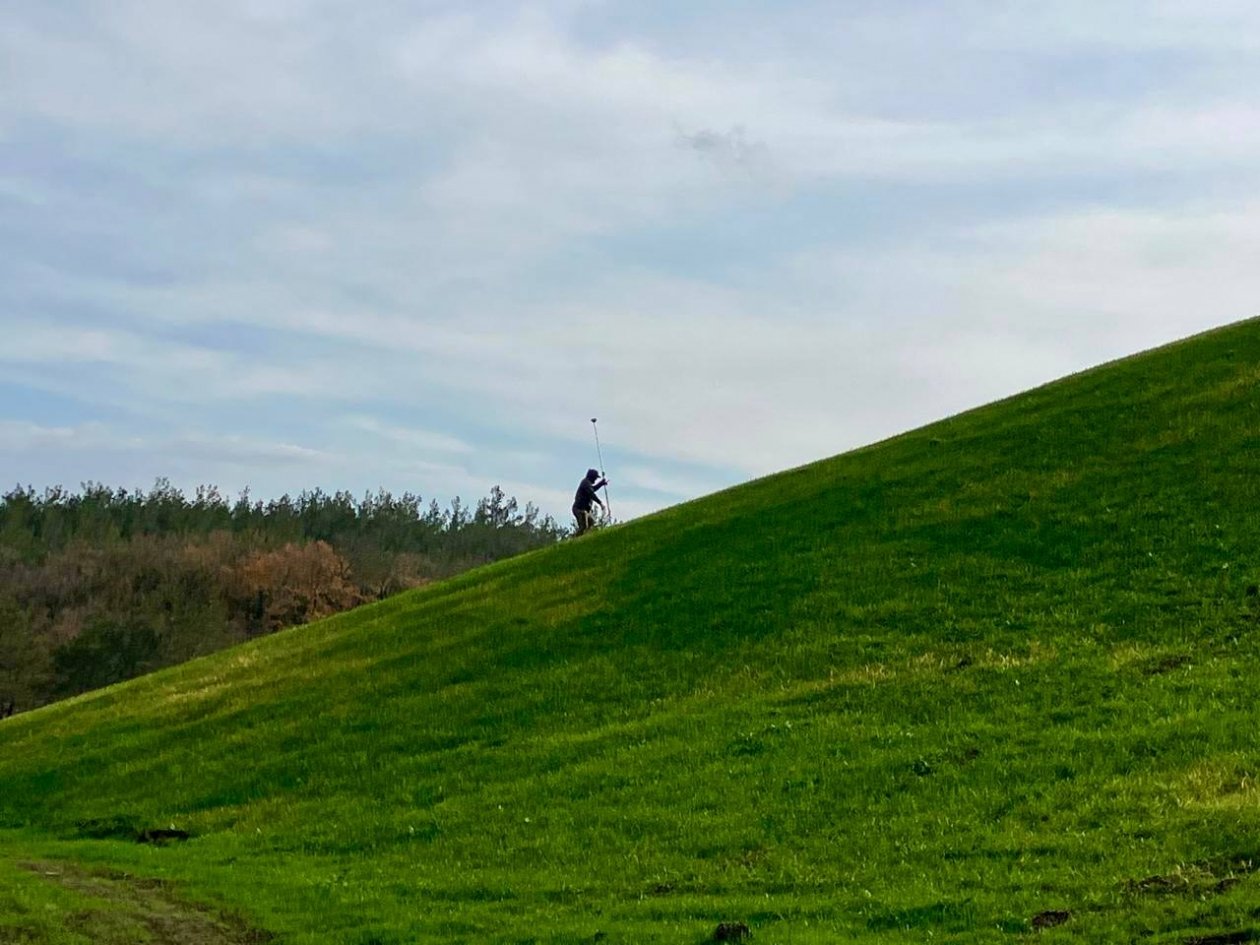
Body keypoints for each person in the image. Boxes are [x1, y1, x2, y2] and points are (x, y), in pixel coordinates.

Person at [572, 468, 608, 535]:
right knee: (583, 527)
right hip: (579, 509)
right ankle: (575, 540)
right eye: (595, 478)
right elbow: (591, 493)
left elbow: (592, 489)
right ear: (592, 477)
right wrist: (600, 503)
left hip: (584, 510)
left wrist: (601, 483)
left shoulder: (587, 483)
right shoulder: (585, 483)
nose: (596, 479)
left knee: (591, 522)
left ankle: (584, 538)